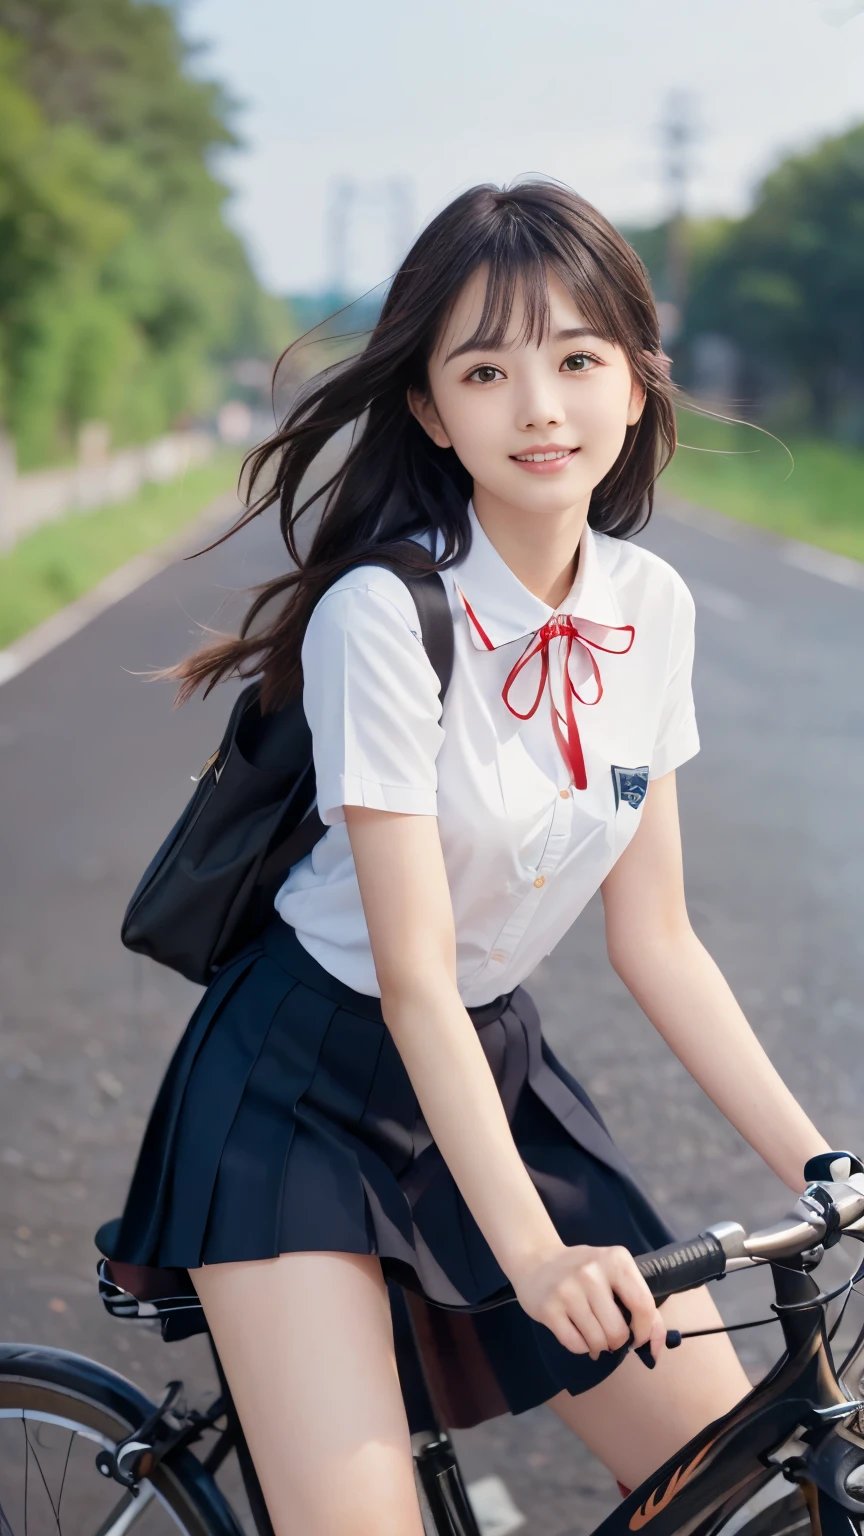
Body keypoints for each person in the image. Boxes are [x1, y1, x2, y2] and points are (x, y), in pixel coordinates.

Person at [106, 180, 830, 1534]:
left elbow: (657, 938)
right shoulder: (386, 615)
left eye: (577, 360)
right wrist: (537, 1256)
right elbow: (415, 976)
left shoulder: (652, 606)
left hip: (492, 1072)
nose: (540, 407)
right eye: (487, 371)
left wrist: (822, 1166)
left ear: (636, 382)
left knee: (736, 1471)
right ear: (432, 411)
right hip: (301, 1087)